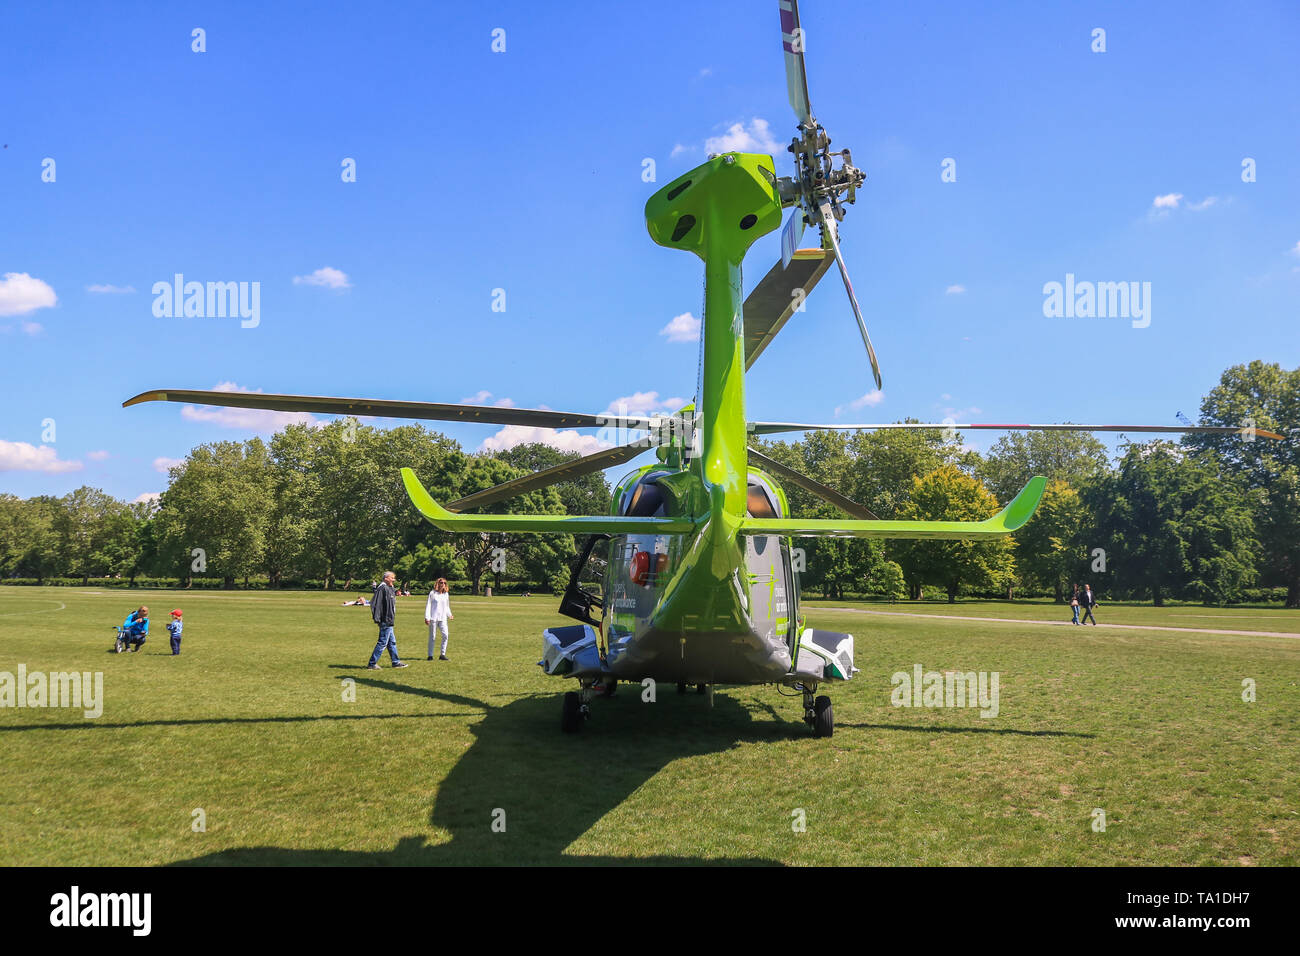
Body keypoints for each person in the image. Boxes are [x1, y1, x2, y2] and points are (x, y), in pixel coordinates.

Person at [367, 571, 407, 669]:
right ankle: (372, 663)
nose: (394, 580)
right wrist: (378, 618)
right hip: (385, 620)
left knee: (391, 642)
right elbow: (375, 604)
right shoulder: (382, 588)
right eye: (392, 578)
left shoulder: (389, 588)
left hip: (389, 619)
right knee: (383, 642)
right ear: (386, 578)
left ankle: (395, 661)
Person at [425, 578, 454, 661]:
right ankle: (430, 655)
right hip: (433, 618)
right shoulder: (432, 593)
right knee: (432, 637)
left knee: (446, 635)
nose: (443, 584)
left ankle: (442, 654)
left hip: (443, 618)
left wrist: (450, 615)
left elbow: (447, 606)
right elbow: (428, 605)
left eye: (445, 583)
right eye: (441, 583)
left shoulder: (446, 594)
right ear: (438, 583)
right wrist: (427, 617)